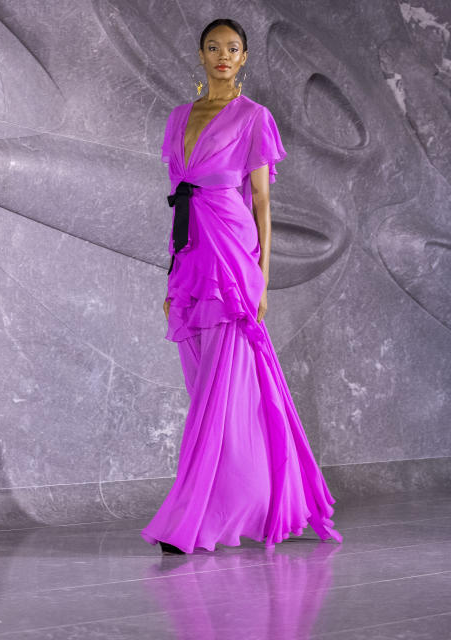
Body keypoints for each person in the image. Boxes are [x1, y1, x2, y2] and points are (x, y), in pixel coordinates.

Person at [141, 18, 343, 554]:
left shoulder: (255, 117)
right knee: (210, 393)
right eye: (213, 47)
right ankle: (250, 498)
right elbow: (179, 200)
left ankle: (193, 520)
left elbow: (261, 204)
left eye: (232, 48)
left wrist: (263, 276)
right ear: (201, 56)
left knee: (219, 392)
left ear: (245, 57)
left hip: (234, 257)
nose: (222, 55)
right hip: (191, 261)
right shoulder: (179, 117)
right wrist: (172, 272)